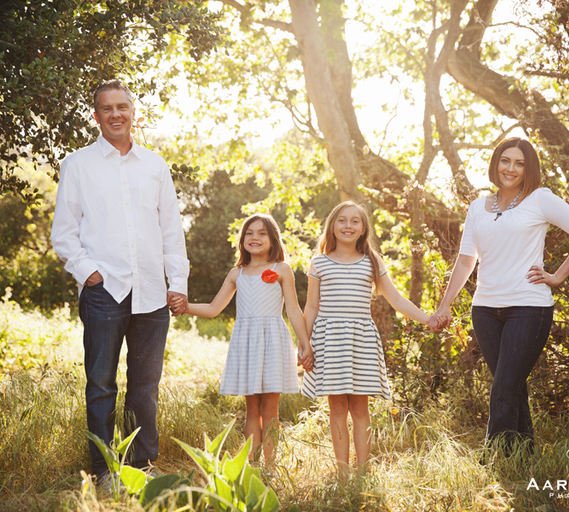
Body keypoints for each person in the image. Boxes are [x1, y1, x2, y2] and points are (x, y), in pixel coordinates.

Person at [51, 79, 189, 480]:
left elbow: (171, 230)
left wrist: (176, 282)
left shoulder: (155, 165)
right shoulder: (77, 165)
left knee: (145, 386)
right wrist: (88, 272)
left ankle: (141, 466)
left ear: (133, 113)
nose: (116, 114)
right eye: (107, 108)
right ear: (96, 116)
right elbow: (64, 233)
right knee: (101, 385)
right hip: (103, 291)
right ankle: (103, 470)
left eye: (122, 107)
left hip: (151, 292)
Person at [429, 137, 569, 454]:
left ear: (528, 168)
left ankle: (494, 458)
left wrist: (558, 275)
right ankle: (521, 457)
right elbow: (467, 259)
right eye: (506, 160)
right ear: (495, 163)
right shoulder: (478, 207)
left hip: (528, 307)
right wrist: (445, 304)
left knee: (504, 386)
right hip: (484, 310)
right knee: (511, 385)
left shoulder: (540, 199)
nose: (511, 168)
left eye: (520, 163)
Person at [301, 201, 432, 475]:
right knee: (336, 406)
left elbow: (396, 299)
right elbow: (311, 306)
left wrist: (428, 318)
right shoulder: (319, 262)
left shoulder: (372, 261)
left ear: (363, 229)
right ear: (332, 226)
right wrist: (305, 343)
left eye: (354, 221)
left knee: (360, 406)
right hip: (328, 340)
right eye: (342, 220)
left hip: (360, 340)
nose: (348, 226)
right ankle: (342, 473)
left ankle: (363, 472)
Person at [170, 214, 313, 463]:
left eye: (261, 233)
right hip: (246, 343)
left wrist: (304, 343)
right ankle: (251, 466)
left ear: (273, 239)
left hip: (272, 342)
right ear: (242, 240)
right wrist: (185, 306)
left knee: (270, 410)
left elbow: (293, 309)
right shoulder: (237, 273)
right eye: (249, 233)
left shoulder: (281, 269)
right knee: (251, 410)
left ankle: (269, 467)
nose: (254, 238)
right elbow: (215, 308)